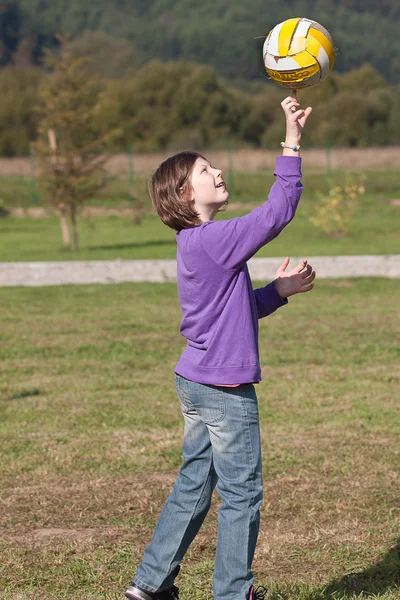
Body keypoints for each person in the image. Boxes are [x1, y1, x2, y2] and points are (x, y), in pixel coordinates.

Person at [125, 91, 315, 600]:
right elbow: (278, 212)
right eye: (207, 171)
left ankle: (150, 585)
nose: (219, 174)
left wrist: (277, 292)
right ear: (186, 195)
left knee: (194, 485)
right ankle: (234, 593)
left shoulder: (196, 244)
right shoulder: (215, 238)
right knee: (241, 493)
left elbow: (230, 312)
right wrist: (291, 142)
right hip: (224, 391)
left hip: (195, 380)